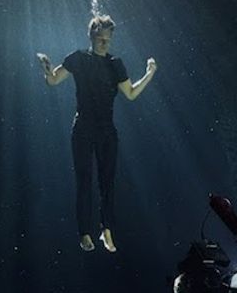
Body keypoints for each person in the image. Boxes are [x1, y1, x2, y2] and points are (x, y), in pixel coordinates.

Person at [37, 15, 157, 252]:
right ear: (91, 37)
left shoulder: (115, 64)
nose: (104, 43)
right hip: (82, 128)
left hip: (106, 131)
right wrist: (46, 67)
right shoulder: (78, 58)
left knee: (107, 182)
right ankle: (84, 232)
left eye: (108, 39)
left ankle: (107, 230)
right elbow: (53, 81)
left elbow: (131, 93)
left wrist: (150, 73)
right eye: (100, 39)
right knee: (84, 181)